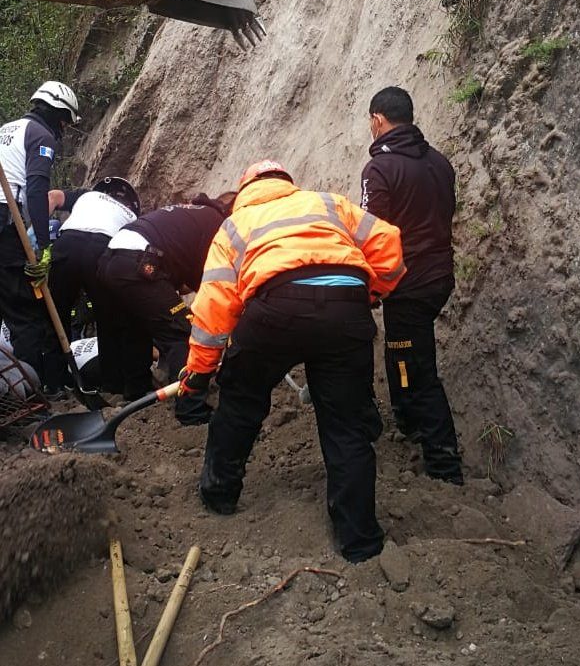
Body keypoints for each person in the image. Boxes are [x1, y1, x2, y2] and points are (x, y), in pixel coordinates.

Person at [179, 160, 405, 563]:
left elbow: (214, 309)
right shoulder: (328, 204)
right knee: (346, 425)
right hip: (345, 306)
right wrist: (372, 292)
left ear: (245, 188)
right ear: (288, 183)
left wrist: (198, 374)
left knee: (241, 401)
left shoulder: (234, 225)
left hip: (274, 309)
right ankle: (360, 543)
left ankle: (219, 494)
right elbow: (388, 242)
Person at [360, 86, 463, 485]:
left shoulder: (380, 170)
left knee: (417, 368)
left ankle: (444, 462)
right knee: (402, 351)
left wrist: (368, 284)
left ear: (377, 120)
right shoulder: (440, 162)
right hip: (439, 276)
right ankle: (406, 419)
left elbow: (371, 233)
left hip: (409, 283)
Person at [97, 191, 235, 422]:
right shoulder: (218, 226)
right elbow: (211, 288)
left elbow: (189, 274)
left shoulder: (195, 214)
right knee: (182, 332)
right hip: (139, 262)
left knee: (135, 329)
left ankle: (137, 394)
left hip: (111, 260)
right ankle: (190, 409)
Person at [0, 81, 80, 381]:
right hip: (4, 223)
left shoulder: (7, 130)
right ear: (55, 112)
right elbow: (36, 190)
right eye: (65, 120)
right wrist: (44, 246)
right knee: (25, 315)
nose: (64, 128)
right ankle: (29, 396)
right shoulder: (40, 135)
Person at [42, 177, 141, 395]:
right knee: (108, 320)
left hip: (67, 244)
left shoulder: (86, 196)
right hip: (103, 249)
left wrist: (39, 238)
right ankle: (112, 384)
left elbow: (52, 196)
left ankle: (55, 382)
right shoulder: (131, 216)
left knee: (56, 315)